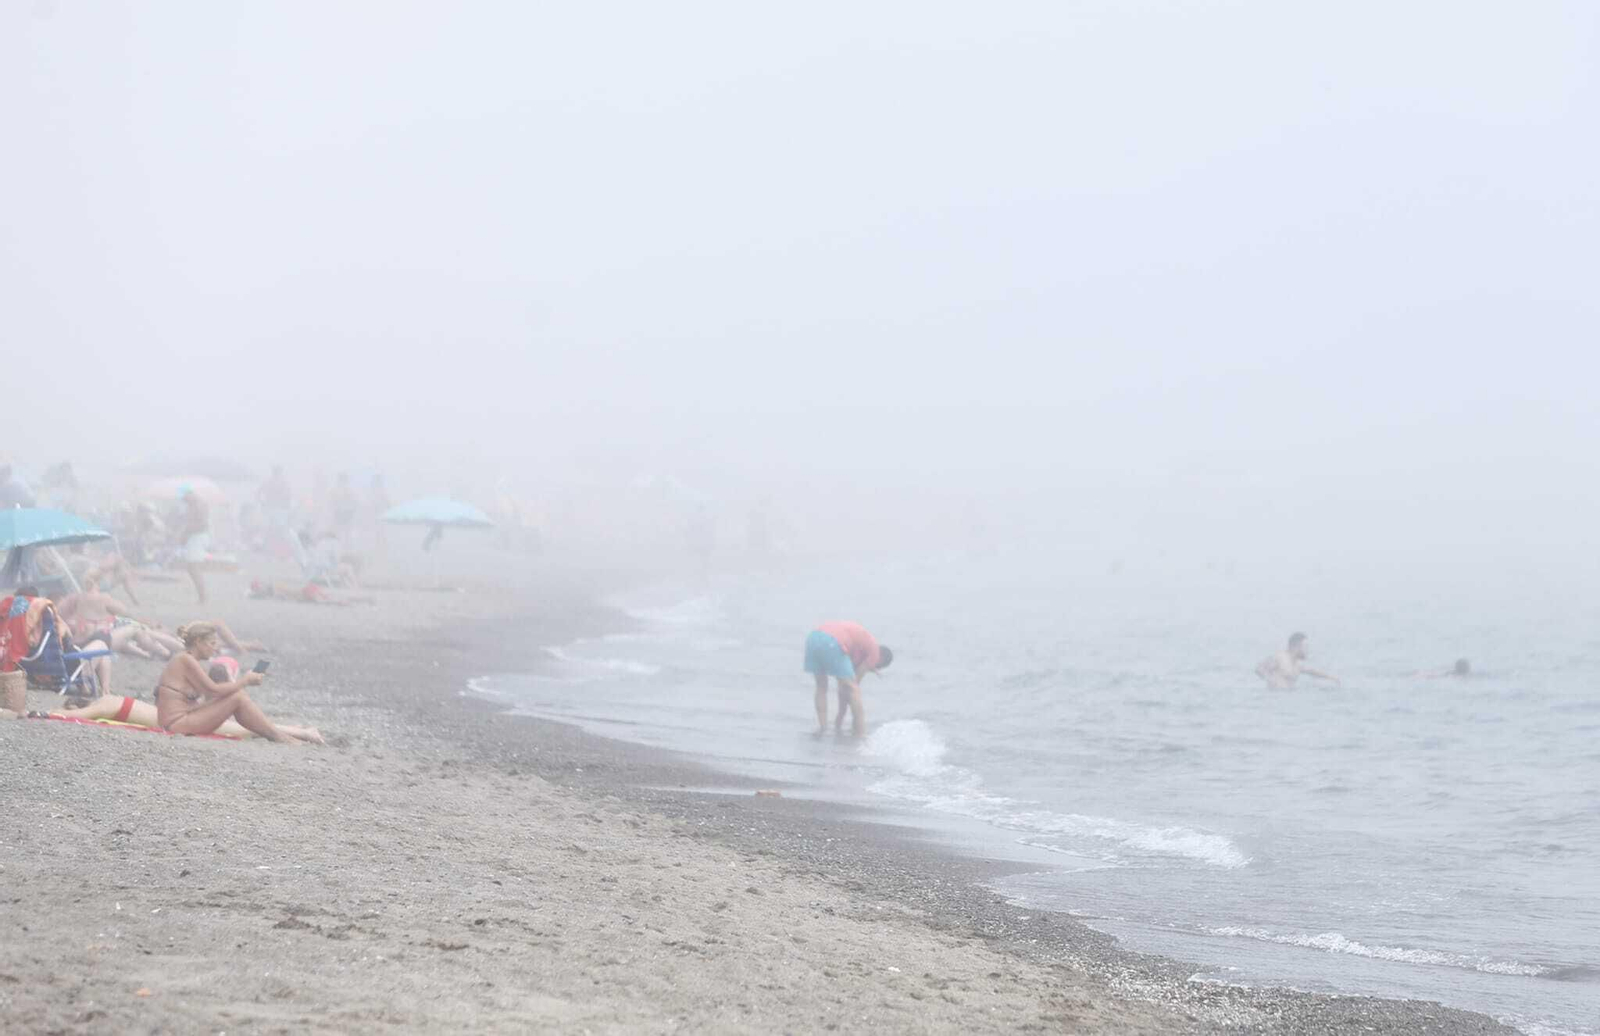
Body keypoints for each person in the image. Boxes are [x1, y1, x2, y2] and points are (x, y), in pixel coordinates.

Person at [47, 676, 324, 744]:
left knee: (239, 729)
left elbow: (76, 717)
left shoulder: (104, 704)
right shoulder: (110, 701)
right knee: (238, 728)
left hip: (181, 719)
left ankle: (301, 733)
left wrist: (47, 714)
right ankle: (300, 731)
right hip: (180, 717)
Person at [154, 622, 294, 742]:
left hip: (181, 719)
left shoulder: (186, 660)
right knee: (238, 697)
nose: (215, 648)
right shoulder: (185, 659)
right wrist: (245, 680)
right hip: (176, 724)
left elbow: (213, 693)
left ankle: (276, 734)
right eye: (212, 643)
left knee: (237, 696)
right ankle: (278, 736)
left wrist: (244, 680)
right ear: (198, 642)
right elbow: (213, 690)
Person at [803, 620, 893, 737]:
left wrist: (840, 715)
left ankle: (823, 728)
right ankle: (860, 733)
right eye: (878, 666)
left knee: (821, 686)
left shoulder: (858, 649)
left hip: (813, 638)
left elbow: (845, 678)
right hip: (833, 641)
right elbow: (855, 681)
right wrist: (842, 711)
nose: (874, 667)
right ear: (881, 659)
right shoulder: (874, 651)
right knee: (853, 689)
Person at [56, 576, 179, 659]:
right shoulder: (97, 598)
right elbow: (124, 612)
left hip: (84, 644)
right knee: (137, 629)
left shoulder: (66, 608)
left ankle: (150, 653)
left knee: (132, 633)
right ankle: (168, 652)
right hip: (91, 645)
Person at [1255, 631, 1340, 689]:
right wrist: (1270, 680)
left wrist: (1331, 678)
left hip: (1287, 697)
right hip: (1274, 697)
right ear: (1297, 646)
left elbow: (1313, 672)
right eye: (1305, 647)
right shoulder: (1279, 658)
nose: (1307, 650)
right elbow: (1259, 669)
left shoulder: (1298, 665)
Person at [177, 488, 211, 604]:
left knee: (193, 567)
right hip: (194, 537)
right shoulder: (193, 505)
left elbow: (200, 524)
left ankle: (203, 597)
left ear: (190, 494)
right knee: (191, 567)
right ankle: (202, 596)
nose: (184, 500)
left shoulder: (198, 505)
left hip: (197, 537)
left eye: (184, 498)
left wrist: (186, 534)